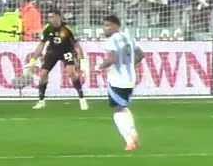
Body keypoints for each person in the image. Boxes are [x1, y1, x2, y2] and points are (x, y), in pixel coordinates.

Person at [96, 15, 144, 151]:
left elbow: (111, 59)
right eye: (105, 25)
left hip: (117, 80)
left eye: (108, 25)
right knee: (123, 107)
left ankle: (129, 138)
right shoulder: (128, 37)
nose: (106, 28)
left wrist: (99, 67)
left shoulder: (111, 41)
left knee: (117, 111)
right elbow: (141, 54)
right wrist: (128, 64)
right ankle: (132, 131)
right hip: (130, 79)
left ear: (116, 26)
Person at [27, 11, 87, 110]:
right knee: (43, 74)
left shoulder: (68, 28)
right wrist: (33, 59)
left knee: (71, 72)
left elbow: (77, 45)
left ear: (59, 17)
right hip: (52, 52)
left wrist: (82, 60)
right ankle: (41, 101)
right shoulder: (48, 28)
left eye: (52, 17)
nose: (50, 19)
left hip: (66, 51)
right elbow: (41, 44)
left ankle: (82, 99)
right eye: (49, 17)